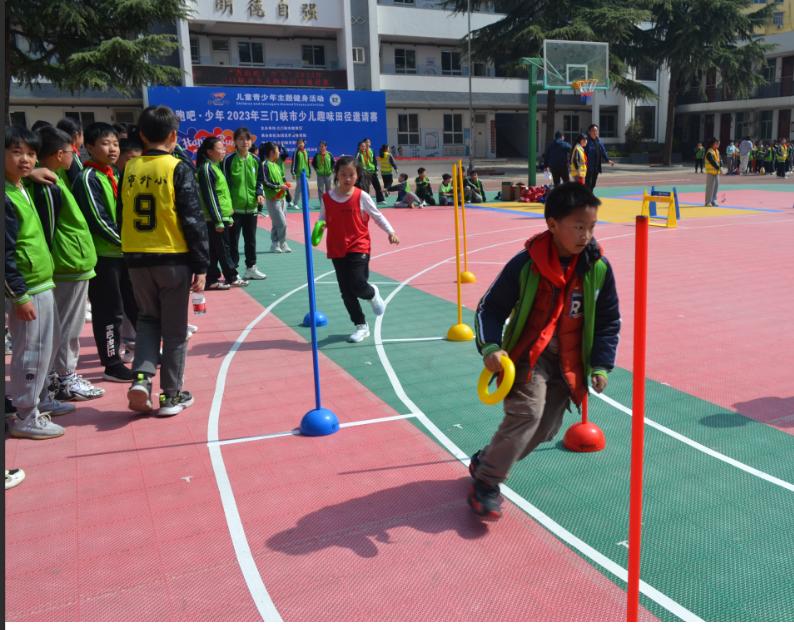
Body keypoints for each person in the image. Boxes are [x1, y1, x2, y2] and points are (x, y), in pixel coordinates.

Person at [468, 182, 620, 519]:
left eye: (592, 227)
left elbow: (609, 319)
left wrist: (600, 365)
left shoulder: (597, 269)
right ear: (552, 225)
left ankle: (486, 459)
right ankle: (486, 484)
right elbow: (488, 309)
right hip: (528, 357)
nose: (586, 236)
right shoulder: (526, 264)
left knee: (547, 429)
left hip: (569, 362)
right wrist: (490, 346)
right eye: (578, 227)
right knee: (527, 414)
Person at [121, 105, 210, 417]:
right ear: (174, 136)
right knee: (173, 331)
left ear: (142, 135)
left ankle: (142, 378)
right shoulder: (177, 167)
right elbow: (193, 218)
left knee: (147, 319)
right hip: (171, 256)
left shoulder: (130, 168)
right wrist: (201, 264)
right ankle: (170, 395)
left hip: (135, 257)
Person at [31, 126, 104, 402]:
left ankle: (58, 378)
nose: (76, 155)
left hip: (74, 262)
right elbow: (48, 230)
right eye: (74, 151)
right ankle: (63, 378)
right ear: (60, 154)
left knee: (66, 326)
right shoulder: (47, 185)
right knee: (65, 328)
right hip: (67, 264)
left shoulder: (56, 177)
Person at [5, 127, 67, 439]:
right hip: (27, 287)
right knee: (31, 351)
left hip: (43, 281)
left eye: (30, 153)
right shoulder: (6, 195)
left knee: (46, 348)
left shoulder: (19, 186)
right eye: (17, 152)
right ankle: (25, 415)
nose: (25, 159)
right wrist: (19, 295)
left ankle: (39, 400)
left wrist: (33, 172)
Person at [73, 122, 138, 382]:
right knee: (109, 311)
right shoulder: (89, 178)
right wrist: (126, 243)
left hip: (122, 255)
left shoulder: (114, 175)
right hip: (104, 257)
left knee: (133, 305)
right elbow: (98, 221)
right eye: (104, 143)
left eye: (115, 144)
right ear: (89, 147)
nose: (112, 149)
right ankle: (111, 363)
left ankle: (144, 351)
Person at [320, 156, 400, 343]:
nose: (347, 178)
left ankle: (372, 293)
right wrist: (319, 228)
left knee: (357, 284)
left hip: (358, 244)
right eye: (343, 174)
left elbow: (377, 215)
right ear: (336, 175)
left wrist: (390, 231)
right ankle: (361, 326)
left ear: (357, 176)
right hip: (337, 247)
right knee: (346, 291)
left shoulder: (361, 196)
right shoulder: (327, 198)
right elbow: (322, 219)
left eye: (351, 175)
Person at [196, 136, 249, 290]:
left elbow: (223, 194)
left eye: (224, 148)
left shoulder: (215, 167)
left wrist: (228, 215)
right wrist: (218, 219)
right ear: (210, 152)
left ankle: (211, 279)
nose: (223, 151)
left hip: (222, 217)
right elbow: (210, 197)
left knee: (214, 250)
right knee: (223, 249)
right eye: (220, 148)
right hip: (214, 219)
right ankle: (232, 276)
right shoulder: (207, 169)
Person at [223, 127, 266, 280]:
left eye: (247, 139)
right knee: (233, 242)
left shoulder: (256, 160)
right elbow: (225, 185)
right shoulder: (228, 160)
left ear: (251, 141)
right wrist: (229, 207)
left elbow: (260, 180)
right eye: (240, 139)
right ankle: (233, 272)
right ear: (235, 141)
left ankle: (251, 268)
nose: (244, 142)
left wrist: (259, 194)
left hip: (252, 208)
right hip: (235, 209)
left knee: (251, 240)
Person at [261, 141, 291, 254]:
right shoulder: (264, 165)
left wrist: (286, 191)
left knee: (276, 223)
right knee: (282, 223)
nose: (279, 153)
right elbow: (265, 182)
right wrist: (279, 186)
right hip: (273, 199)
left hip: (282, 199)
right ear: (272, 152)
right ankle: (283, 242)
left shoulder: (276, 165)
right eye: (278, 151)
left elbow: (282, 180)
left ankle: (275, 244)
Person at [55, 118, 85, 187]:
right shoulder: (72, 155)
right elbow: (80, 183)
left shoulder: (56, 153)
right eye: (82, 134)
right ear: (76, 136)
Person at [583, 124, 613, 191]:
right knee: (588, 184)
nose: (595, 132)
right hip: (588, 167)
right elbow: (582, 153)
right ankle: (587, 197)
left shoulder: (599, 141)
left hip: (596, 167)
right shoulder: (586, 142)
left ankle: (588, 196)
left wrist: (608, 160)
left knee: (593, 184)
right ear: (589, 132)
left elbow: (603, 151)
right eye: (593, 131)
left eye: (596, 131)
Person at [311, 140, 335, 208]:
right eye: (320, 146)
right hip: (320, 175)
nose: (321, 148)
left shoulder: (329, 154)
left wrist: (331, 170)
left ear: (326, 147)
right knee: (320, 190)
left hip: (328, 175)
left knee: (329, 190)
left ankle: (329, 203)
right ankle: (322, 204)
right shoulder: (317, 155)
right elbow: (313, 163)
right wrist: (317, 170)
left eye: (323, 146)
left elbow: (333, 163)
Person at [290, 138, 311, 209]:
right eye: (299, 143)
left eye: (302, 143)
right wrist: (293, 173)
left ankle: (306, 204)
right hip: (299, 174)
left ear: (304, 144)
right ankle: (295, 203)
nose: (300, 144)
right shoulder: (296, 152)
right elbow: (293, 163)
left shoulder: (306, 152)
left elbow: (308, 163)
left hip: (306, 174)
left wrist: (309, 172)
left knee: (307, 189)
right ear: (297, 145)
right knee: (298, 189)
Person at [704, 137, 722, 207]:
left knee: (716, 187)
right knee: (710, 187)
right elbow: (712, 162)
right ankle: (708, 202)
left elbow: (719, 159)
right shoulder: (709, 152)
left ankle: (713, 200)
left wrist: (721, 163)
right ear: (712, 144)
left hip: (716, 172)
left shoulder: (717, 151)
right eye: (717, 143)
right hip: (711, 172)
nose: (718, 145)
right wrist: (719, 167)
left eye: (719, 143)